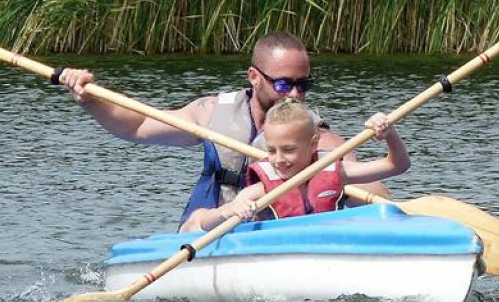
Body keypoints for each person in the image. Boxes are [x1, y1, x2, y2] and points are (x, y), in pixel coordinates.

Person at [55, 31, 389, 226]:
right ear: (254, 77)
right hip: (212, 233)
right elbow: (138, 125)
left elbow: (379, 201)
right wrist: (88, 99)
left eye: (305, 84)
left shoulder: (322, 140)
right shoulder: (212, 114)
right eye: (285, 85)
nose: (297, 95)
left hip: (277, 245)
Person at [179, 100, 409, 232]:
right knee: (199, 219)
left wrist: (389, 134)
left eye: (288, 150)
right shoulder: (262, 189)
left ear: (313, 144)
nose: (278, 159)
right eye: (271, 150)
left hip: (327, 247)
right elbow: (209, 224)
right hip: (279, 250)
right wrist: (230, 209)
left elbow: (397, 165)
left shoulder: (334, 170)